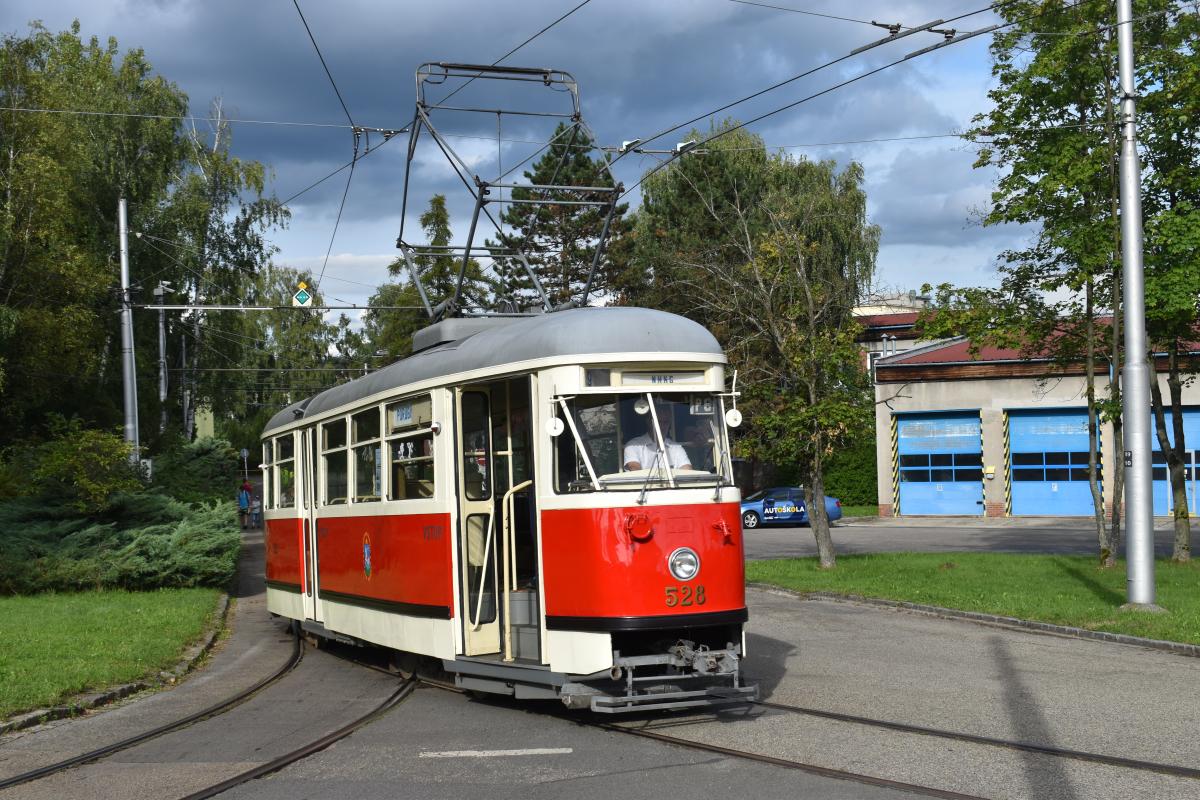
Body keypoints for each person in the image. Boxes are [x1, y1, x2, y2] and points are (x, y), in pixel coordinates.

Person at [623, 408, 692, 471]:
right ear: (649, 422)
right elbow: (635, 470)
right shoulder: (633, 445)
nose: (662, 426)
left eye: (665, 422)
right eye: (658, 422)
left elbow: (687, 471)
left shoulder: (676, 447)